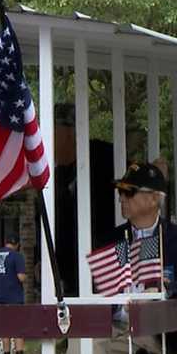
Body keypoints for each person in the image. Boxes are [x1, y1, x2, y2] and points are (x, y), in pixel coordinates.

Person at [96, 162, 177, 354]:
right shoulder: (112, 240)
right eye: (120, 193)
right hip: (115, 327)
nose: (121, 199)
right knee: (79, 349)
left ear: (155, 199)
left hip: (160, 334)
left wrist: (167, 287)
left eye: (129, 192)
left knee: (122, 351)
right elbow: (98, 289)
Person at [52, 103, 118, 296]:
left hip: (105, 264)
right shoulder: (55, 174)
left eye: (53, 130)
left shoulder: (104, 157)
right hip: (67, 273)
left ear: (70, 133)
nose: (47, 138)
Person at [0, 234, 31, 354]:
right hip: (14, 296)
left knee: (5, 327)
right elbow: (21, 277)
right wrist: (25, 276)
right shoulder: (16, 256)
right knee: (18, 327)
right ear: (17, 244)